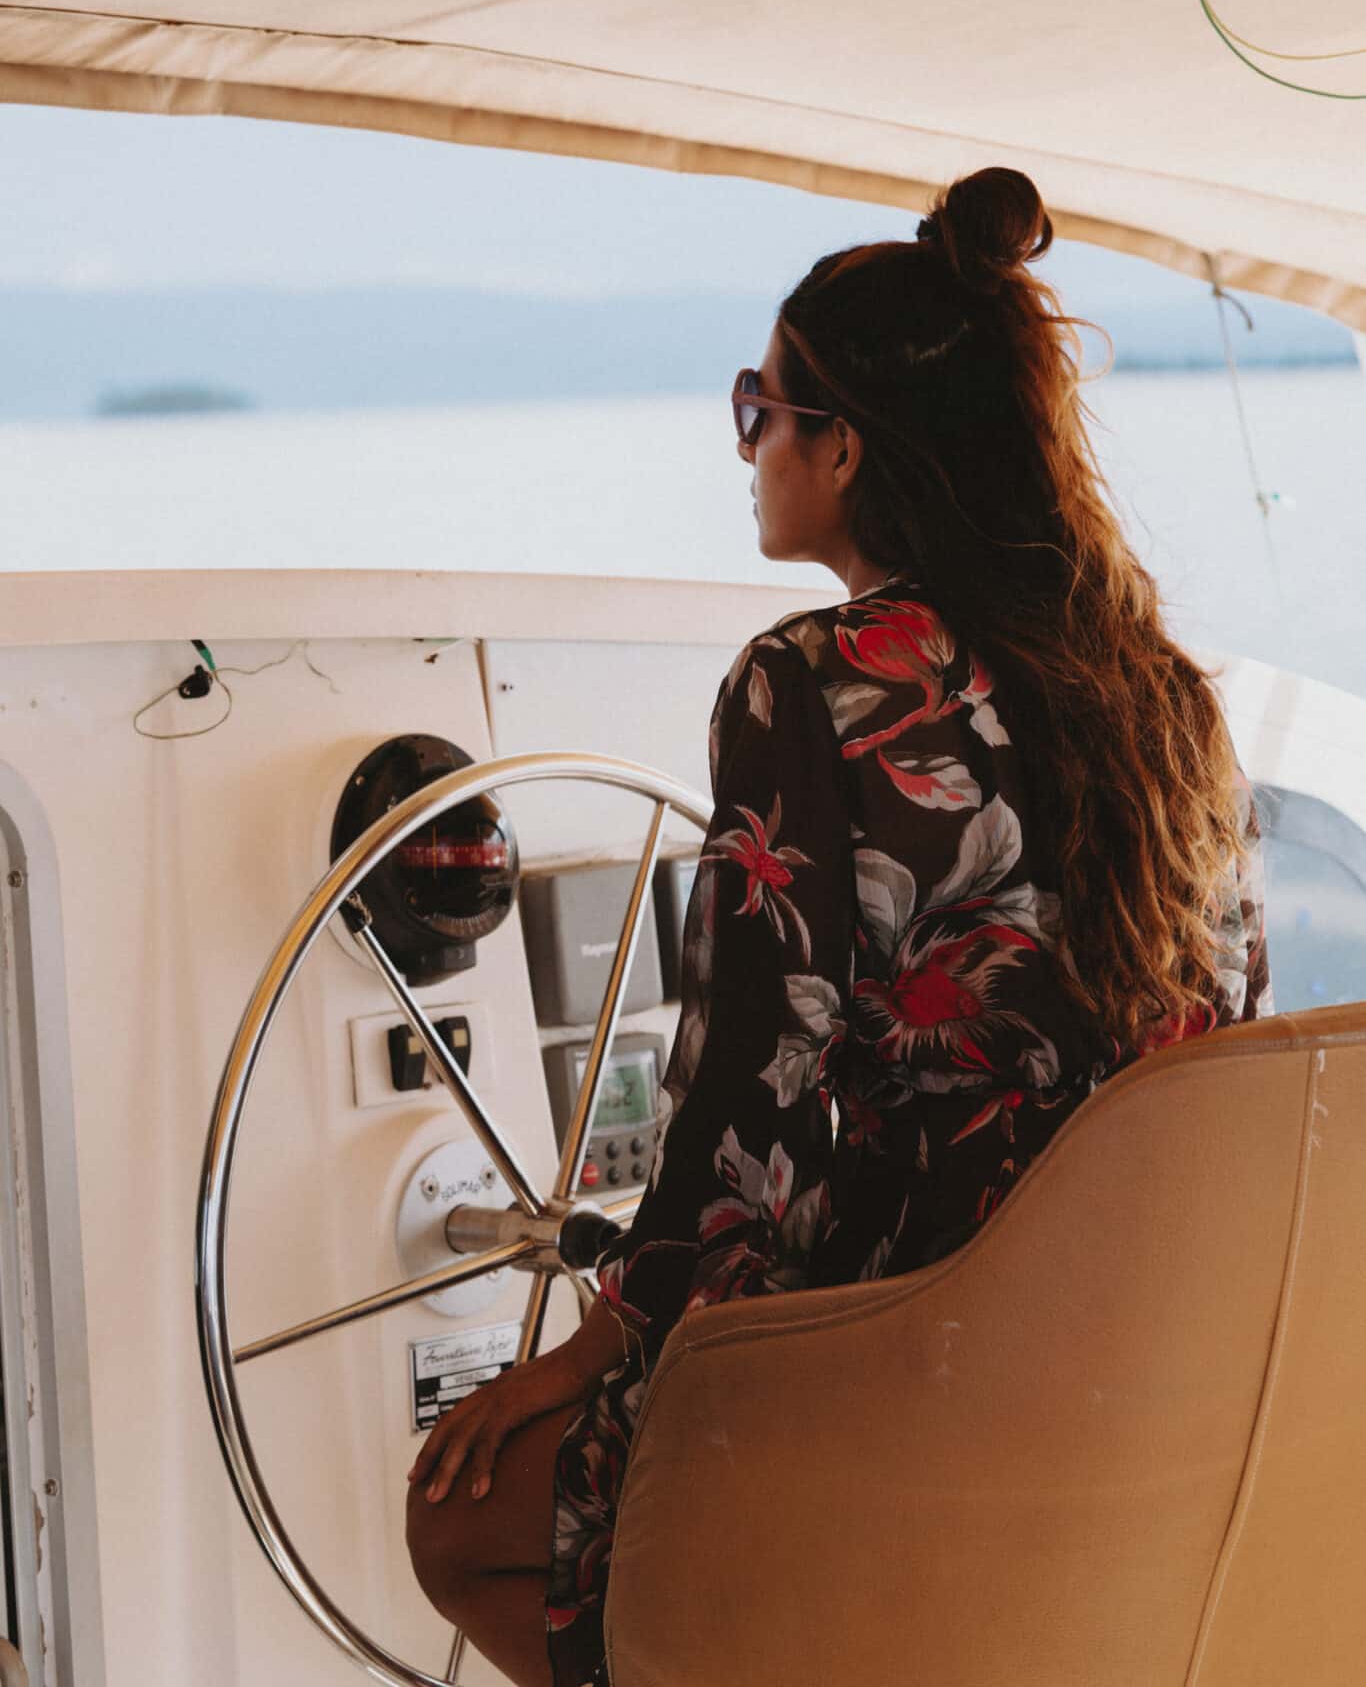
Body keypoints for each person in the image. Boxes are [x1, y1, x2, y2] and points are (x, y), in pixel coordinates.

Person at [404, 165, 1272, 1687]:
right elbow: (1230, 1033)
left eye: (759, 408)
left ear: (843, 446)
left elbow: (756, 1080)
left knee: (461, 1519)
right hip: (1150, 1360)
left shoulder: (805, 681)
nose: (747, 449)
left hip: (908, 1345)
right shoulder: (1165, 690)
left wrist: (601, 1339)